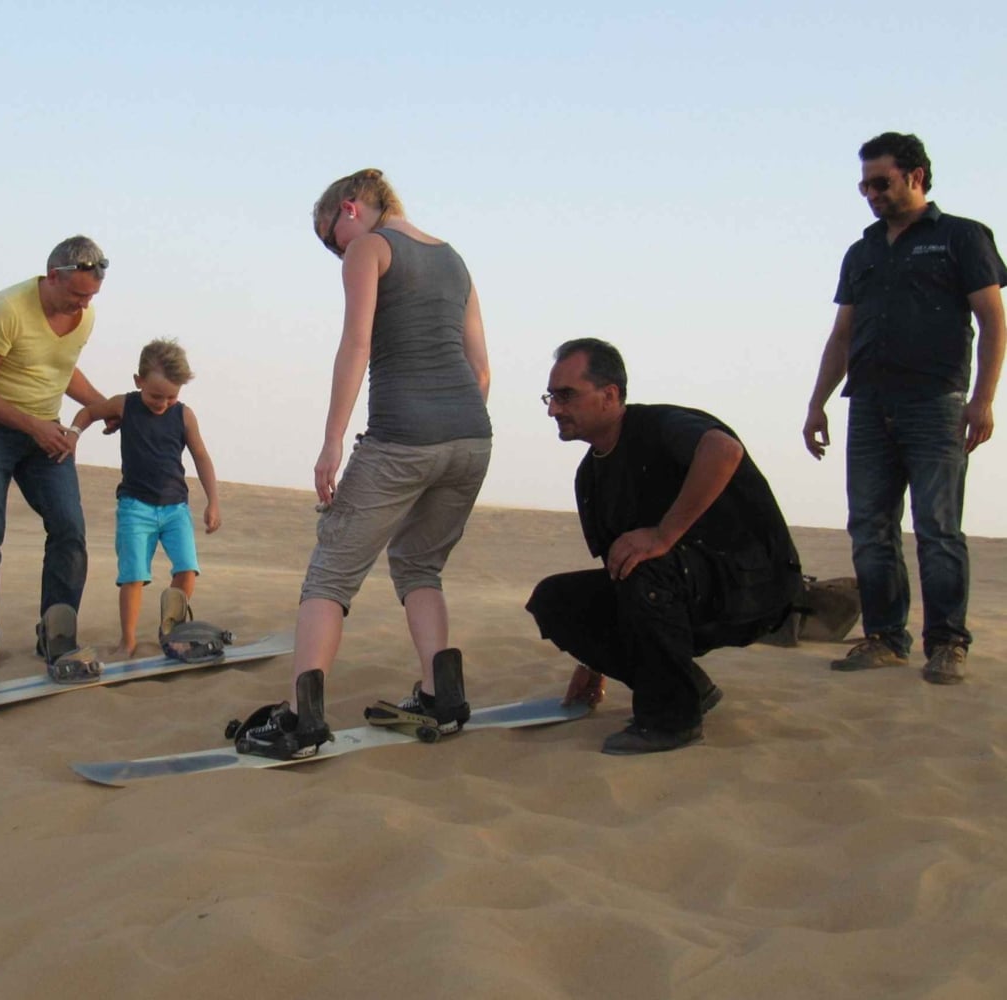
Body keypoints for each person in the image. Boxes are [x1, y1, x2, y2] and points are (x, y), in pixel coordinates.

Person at [233, 168, 492, 760]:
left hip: (401, 437)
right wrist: (451, 426)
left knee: (330, 572)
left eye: (331, 239)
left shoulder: (371, 249)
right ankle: (439, 696)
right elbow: (480, 370)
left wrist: (332, 442)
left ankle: (300, 720)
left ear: (350, 208)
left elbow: (356, 342)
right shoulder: (455, 261)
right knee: (418, 564)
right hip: (471, 438)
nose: (335, 252)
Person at [527, 340, 802, 755]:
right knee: (555, 600)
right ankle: (688, 686)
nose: (554, 410)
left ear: (610, 395)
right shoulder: (591, 479)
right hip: (677, 589)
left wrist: (663, 534)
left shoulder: (661, 426)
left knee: (647, 564)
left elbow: (724, 450)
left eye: (566, 396)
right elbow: (618, 570)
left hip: (753, 582)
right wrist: (594, 660)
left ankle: (671, 721)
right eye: (551, 397)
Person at [803, 132, 1007, 685]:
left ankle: (947, 643)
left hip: (935, 402)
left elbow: (993, 320)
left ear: (915, 177)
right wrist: (817, 403)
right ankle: (885, 637)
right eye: (864, 184)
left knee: (938, 527)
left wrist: (982, 398)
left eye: (881, 182)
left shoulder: (960, 238)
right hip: (867, 403)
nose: (871, 193)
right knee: (869, 527)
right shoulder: (862, 251)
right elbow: (842, 334)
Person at [0, 236, 115, 676]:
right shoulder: (8, 308)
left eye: (91, 296)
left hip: (46, 433)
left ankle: (56, 633)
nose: (84, 305)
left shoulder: (84, 316)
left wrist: (102, 407)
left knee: (70, 531)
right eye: (77, 294)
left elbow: (59, 368)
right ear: (52, 278)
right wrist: (34, 427)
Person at [69, 337, 222, 660]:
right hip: (134, 508)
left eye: (171, 396)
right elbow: (88, 412)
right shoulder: (125, 404)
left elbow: (201, 457)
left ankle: (174, 631)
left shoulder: (184, 415)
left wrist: (213, 501)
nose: (162, 403)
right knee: (133, 575)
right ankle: (127, 642)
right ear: (138, 381)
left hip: (175, 508)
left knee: (188, 568)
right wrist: (73, 435)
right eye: (155, 395)